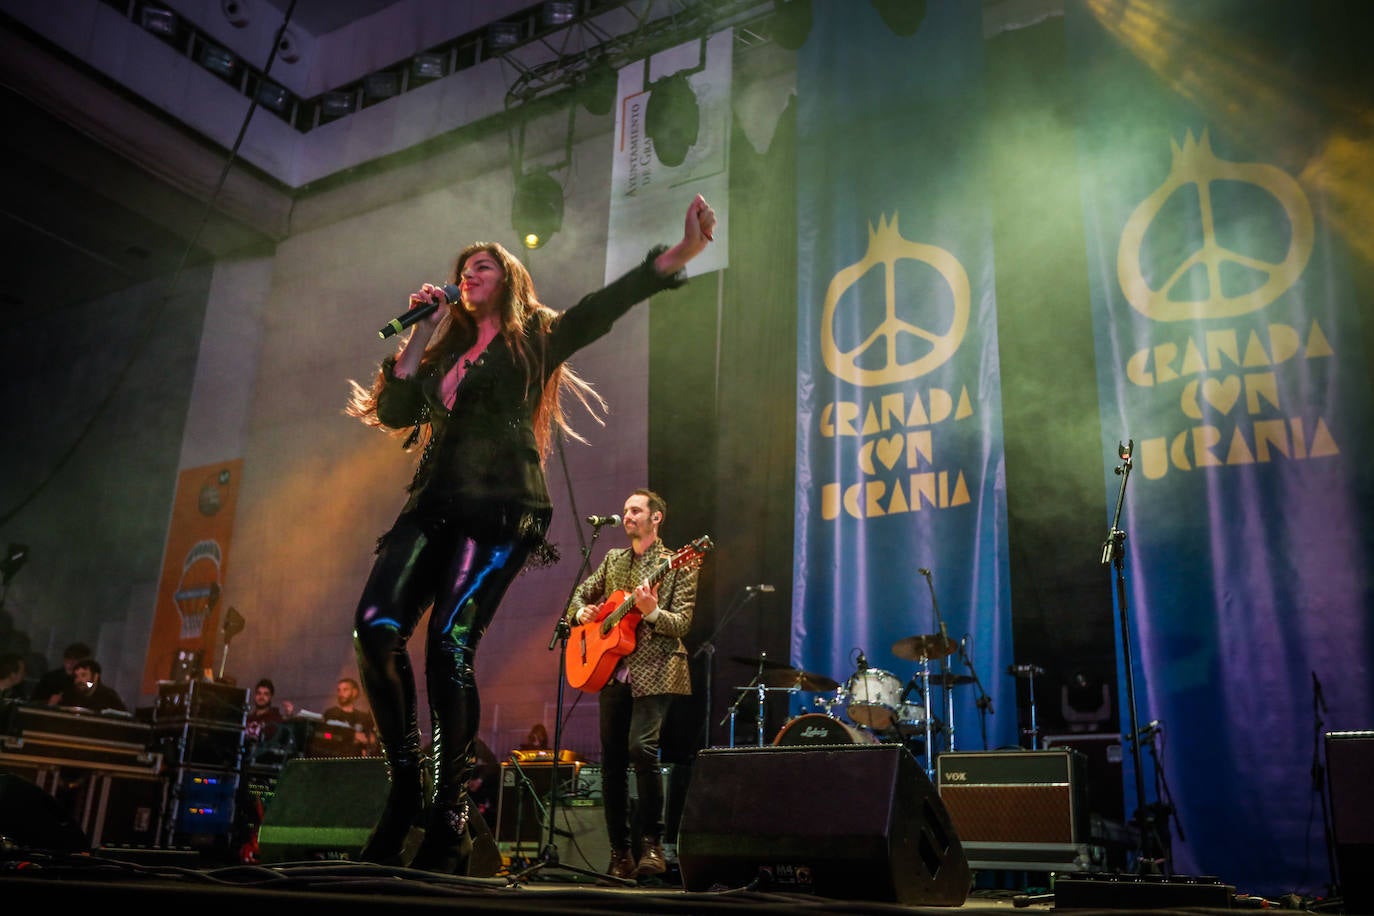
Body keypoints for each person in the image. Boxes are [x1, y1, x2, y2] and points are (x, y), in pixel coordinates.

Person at [344, 194, 716, 875]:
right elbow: (396, 411)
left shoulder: (530, 342)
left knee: (448, 650)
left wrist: (677, 256)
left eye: (482, 265)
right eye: (464, 268)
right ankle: (406, 791)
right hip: (432, 504)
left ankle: (450, 812)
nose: (470, 274)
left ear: (507, 279)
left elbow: (599, 310)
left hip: (502, 506)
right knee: (375, 628)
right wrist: (422, 330)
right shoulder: (442, 351)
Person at [566, 488, 699, 881]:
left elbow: (682, 624)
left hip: (656, 669)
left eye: (636, 510)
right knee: (611, 764)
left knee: (642, 749)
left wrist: (652, 611)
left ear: (656, 518)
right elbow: (579, 595)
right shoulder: (613, 560)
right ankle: (619, 853)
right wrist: (580, 614)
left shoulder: (679, 563)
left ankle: (652, 846)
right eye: (625, 510)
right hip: (612, 671)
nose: (627, 516)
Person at [321, 676, 379, 756]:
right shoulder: (331, 714)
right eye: (339, 690)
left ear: (354, 692)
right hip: (336, 760)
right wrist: (353, 735)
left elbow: (372, 739)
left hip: (358, 762)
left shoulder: (363, 717)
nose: (341, 693)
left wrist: (371, 741)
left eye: (345, 690)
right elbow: (326, 735)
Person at [56, 658, 127, 712]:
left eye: (83, 675)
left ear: (95, 677)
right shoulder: (70, 694)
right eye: (76, 676)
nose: (78, 680)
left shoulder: (109, 697)